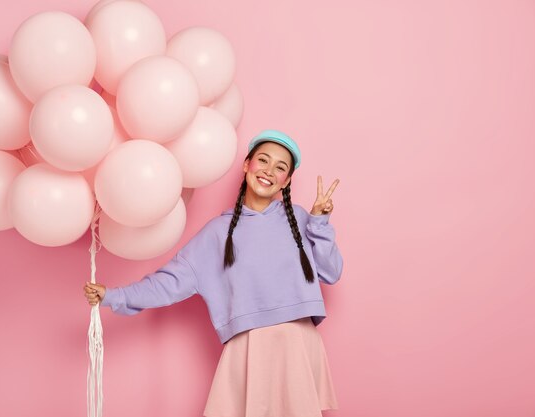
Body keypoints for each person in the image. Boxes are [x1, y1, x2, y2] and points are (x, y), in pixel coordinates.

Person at [83, 129, 343, 417]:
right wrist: (113, 296)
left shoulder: (302, 219)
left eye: (280, 167)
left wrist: (319, 223)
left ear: (287, 180)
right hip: (249, 347)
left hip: (298, 343)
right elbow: (169, 282)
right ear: (247, 165)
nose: (269, 171)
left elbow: (331, 273)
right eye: (263, 160)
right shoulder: (216, 234)